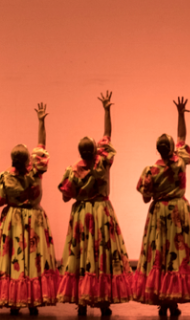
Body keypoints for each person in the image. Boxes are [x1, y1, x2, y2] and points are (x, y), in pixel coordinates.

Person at [57, 91, 132, 316]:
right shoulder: (103, 163)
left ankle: (81, 301)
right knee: (101, 254)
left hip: (82, 214)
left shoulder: (73, 171)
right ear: (94, 151)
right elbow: (107, 135)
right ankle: (102, 302)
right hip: (101, 211)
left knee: (81, 254)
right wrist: (107, 110)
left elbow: (64, 197)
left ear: (80, 152)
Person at [132, 97, 190, 316]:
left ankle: (163, 300)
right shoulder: (181, 161)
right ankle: (172, 301)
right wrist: (181, 114)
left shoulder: (150, 172)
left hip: (159, 213)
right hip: (179, 211)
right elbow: (182, 137)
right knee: (177, 252)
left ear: (157, 150)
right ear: (172, 149)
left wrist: (155, 193)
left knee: (160, 253)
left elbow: (146, 198)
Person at [0, 103, 60, 316]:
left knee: (14, 257)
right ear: (29, 158)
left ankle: (14, 301)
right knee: (34, 257)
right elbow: (42, 145)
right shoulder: (36, 172)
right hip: (35, 218)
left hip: (13, 219)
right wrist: (41, 121)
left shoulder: (5, 177)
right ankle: (33, 301)